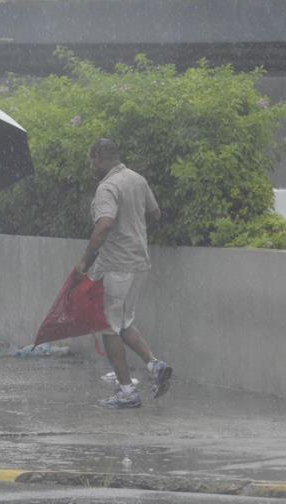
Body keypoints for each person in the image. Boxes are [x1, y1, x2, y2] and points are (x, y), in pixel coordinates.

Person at [74, 138, 172, 409]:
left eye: (90, 161)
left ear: (97, 157)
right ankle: (155, 365)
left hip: (116, 265)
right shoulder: (137, 179)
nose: (90, 166)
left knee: (108, 327)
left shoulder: (108, 187)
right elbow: (155, 212)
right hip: (139, 261)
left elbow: (104, 225)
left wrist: (85, 260)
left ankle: (127, 390)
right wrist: (133, 226)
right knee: (124, 322)